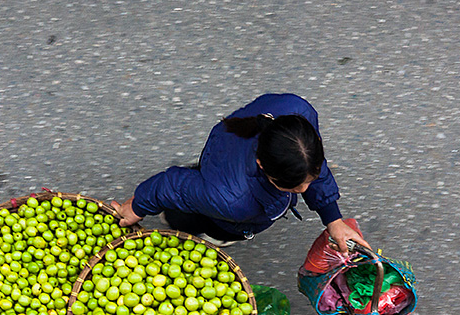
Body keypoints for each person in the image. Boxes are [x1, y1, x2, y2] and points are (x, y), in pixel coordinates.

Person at [111, 93, 369, 253]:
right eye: (291, 187)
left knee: (202, 186)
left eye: (307, 181)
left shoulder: (297, 112)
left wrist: (333, 220)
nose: (303, 191)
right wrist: (137, 207)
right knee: (195, 216)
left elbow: (312, 170)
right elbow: (172, 186)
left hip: (230, 144)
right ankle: (188, 219)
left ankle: (203, 177)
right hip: (225, 187)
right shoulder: (233, 202)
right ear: (261, 164)